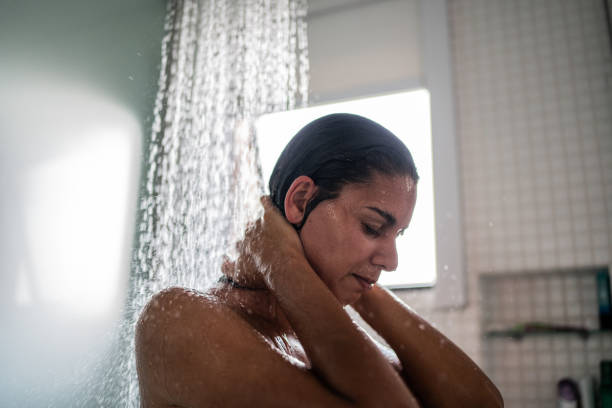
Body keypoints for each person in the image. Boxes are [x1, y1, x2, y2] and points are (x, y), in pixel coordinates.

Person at [135, 114, 504, 407]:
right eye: (373, 226)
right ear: (300, 201)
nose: (392, 261)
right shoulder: (177, 320)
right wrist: (280, 264)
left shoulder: (316, 333)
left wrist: (362, 290)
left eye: (398, 234)